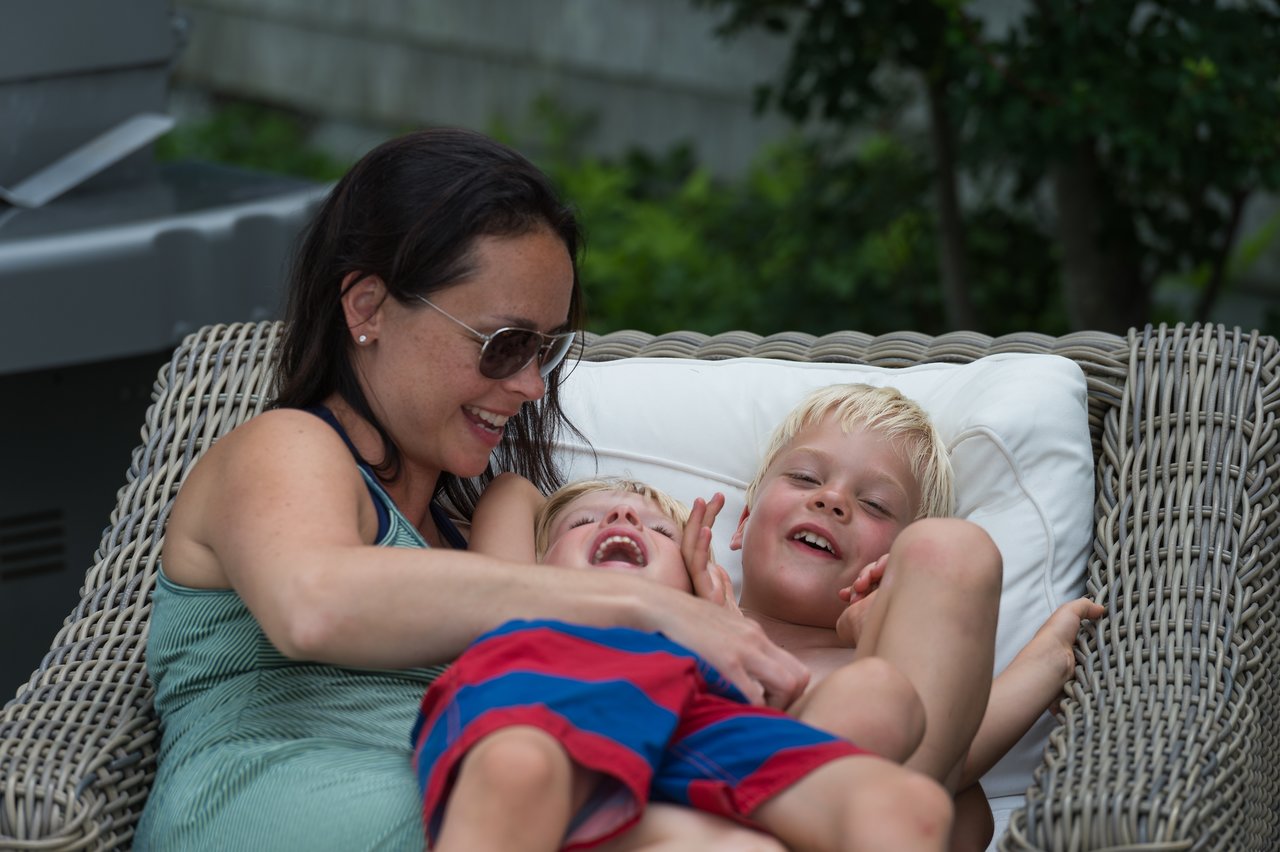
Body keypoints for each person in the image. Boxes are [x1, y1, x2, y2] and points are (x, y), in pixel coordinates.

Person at [131, 127, 816, 851]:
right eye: (503, 344)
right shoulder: (288, 446)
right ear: (366, 308)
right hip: (271, 800)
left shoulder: (481, 531)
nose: (526, 385)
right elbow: (314, 603)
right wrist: (640, 606)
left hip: (457, 794)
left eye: (544, 351)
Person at [414, 476, 947, 851]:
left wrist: (715, 613)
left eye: (662, 532)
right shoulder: (522, 600)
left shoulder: (711, 658)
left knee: (910, 806)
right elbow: (512, 490)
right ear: (535, 561)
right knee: (518, 768)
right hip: (541, 696)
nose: (622, 516)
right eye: (584, 520)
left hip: (686, 722)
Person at [726, 383, 1105, 850]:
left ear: (896, 565)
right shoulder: (689, 614)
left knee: (953, 550)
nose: (832, 499)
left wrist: (883, 632)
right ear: (743, 522)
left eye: (875, 505)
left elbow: (953, 791)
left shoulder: (901, 677)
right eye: (805, 477)